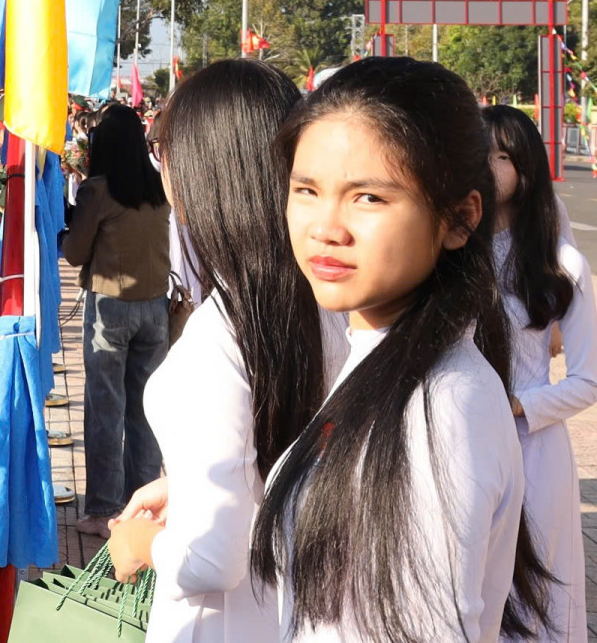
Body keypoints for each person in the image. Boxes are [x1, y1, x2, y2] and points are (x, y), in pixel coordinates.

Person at [249, 58, 553, 642]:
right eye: (306, 190)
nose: (325, 227)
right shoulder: (381, 358)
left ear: (460, 219)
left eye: (368, 198)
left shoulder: (441, 406)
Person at [103, 61, 335, 640]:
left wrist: (140, 546)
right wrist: (185, 482)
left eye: (164, 149)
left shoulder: (218, 337)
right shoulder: (326, 303)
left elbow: (212, 559)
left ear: (202, 167)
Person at [486, 104, 596, 638]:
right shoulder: (454, 251)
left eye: (499, 155)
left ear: (525, 168)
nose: (485, 164)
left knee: (534, 599)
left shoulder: (561, 264)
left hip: (534, 447)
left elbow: (588, 380)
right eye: (477, 152)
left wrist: (518, 404)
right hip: (466, 436)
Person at [60, 103, 170, 536]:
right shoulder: (158, 185)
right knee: (145, 409)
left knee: (105, 408)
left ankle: (103, 508)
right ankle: (142, 504)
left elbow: (74, 253)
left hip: (111, 308)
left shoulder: (98, 191)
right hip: (156, 308)